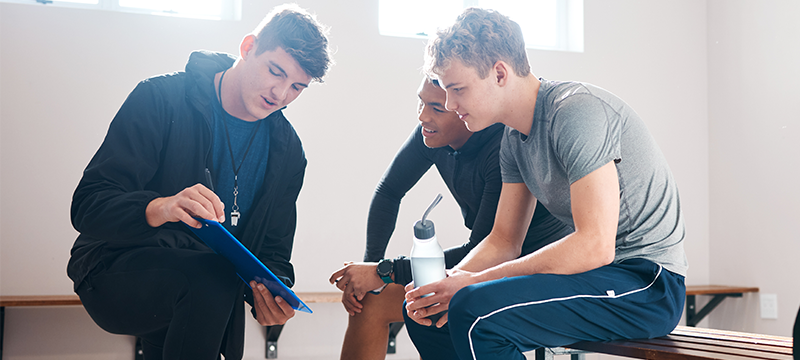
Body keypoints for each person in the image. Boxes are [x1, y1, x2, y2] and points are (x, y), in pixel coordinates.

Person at [402, 8, 688, 360]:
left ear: (500, 73)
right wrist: (449, 281)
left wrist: (471, 282)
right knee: (427, 310)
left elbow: (595, 245)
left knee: (477, 313)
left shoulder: (575, 113)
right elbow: (504, 240)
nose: (449, 104)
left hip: (648, 284)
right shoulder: (513, 139)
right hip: (595, 277)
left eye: (457, 89)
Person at [67, 4, 332, 360]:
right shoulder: (159, 99)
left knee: (217, 284)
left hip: (207, 292)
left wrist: (276, 295)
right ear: (248, 46)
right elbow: (87, 207)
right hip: (113, 269)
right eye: (275, 72)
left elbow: (274, 251)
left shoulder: (288, 151)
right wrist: (161, 207)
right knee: (214, 278)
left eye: (298, 86)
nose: (281, 94)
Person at [328, 77, 572, 360]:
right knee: (373, 302)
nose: (423, 116)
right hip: (481, 266)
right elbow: (389, 192)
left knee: (433, 308)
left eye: (436, 108)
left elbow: (487, 251)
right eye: (421, 102)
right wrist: (374, 269)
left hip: (528, 272)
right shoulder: (430, 134)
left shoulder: (501, 148)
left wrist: (383, 271)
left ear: (463, 109)